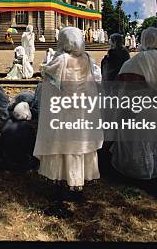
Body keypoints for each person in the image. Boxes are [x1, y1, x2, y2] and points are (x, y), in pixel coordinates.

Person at [34, 27, 103, 194]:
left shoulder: (62, 59)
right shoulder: (87, 58)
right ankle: (78, 179)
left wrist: (44, 68)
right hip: (81, 112)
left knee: (62, 144)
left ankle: (59, 178)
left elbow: (47, 75)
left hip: (64, 111)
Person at [109, 27, 157, 180]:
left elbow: (121, 85)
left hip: (135, 107)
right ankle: (154, 167)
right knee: (154, 142)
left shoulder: (137, 60)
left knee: (136, 142)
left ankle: (136, 168)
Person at [0, 102, 39, 171]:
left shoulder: (8, 122)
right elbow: (31, 147)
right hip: (19, 162)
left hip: (5, 159)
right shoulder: (27, 127)